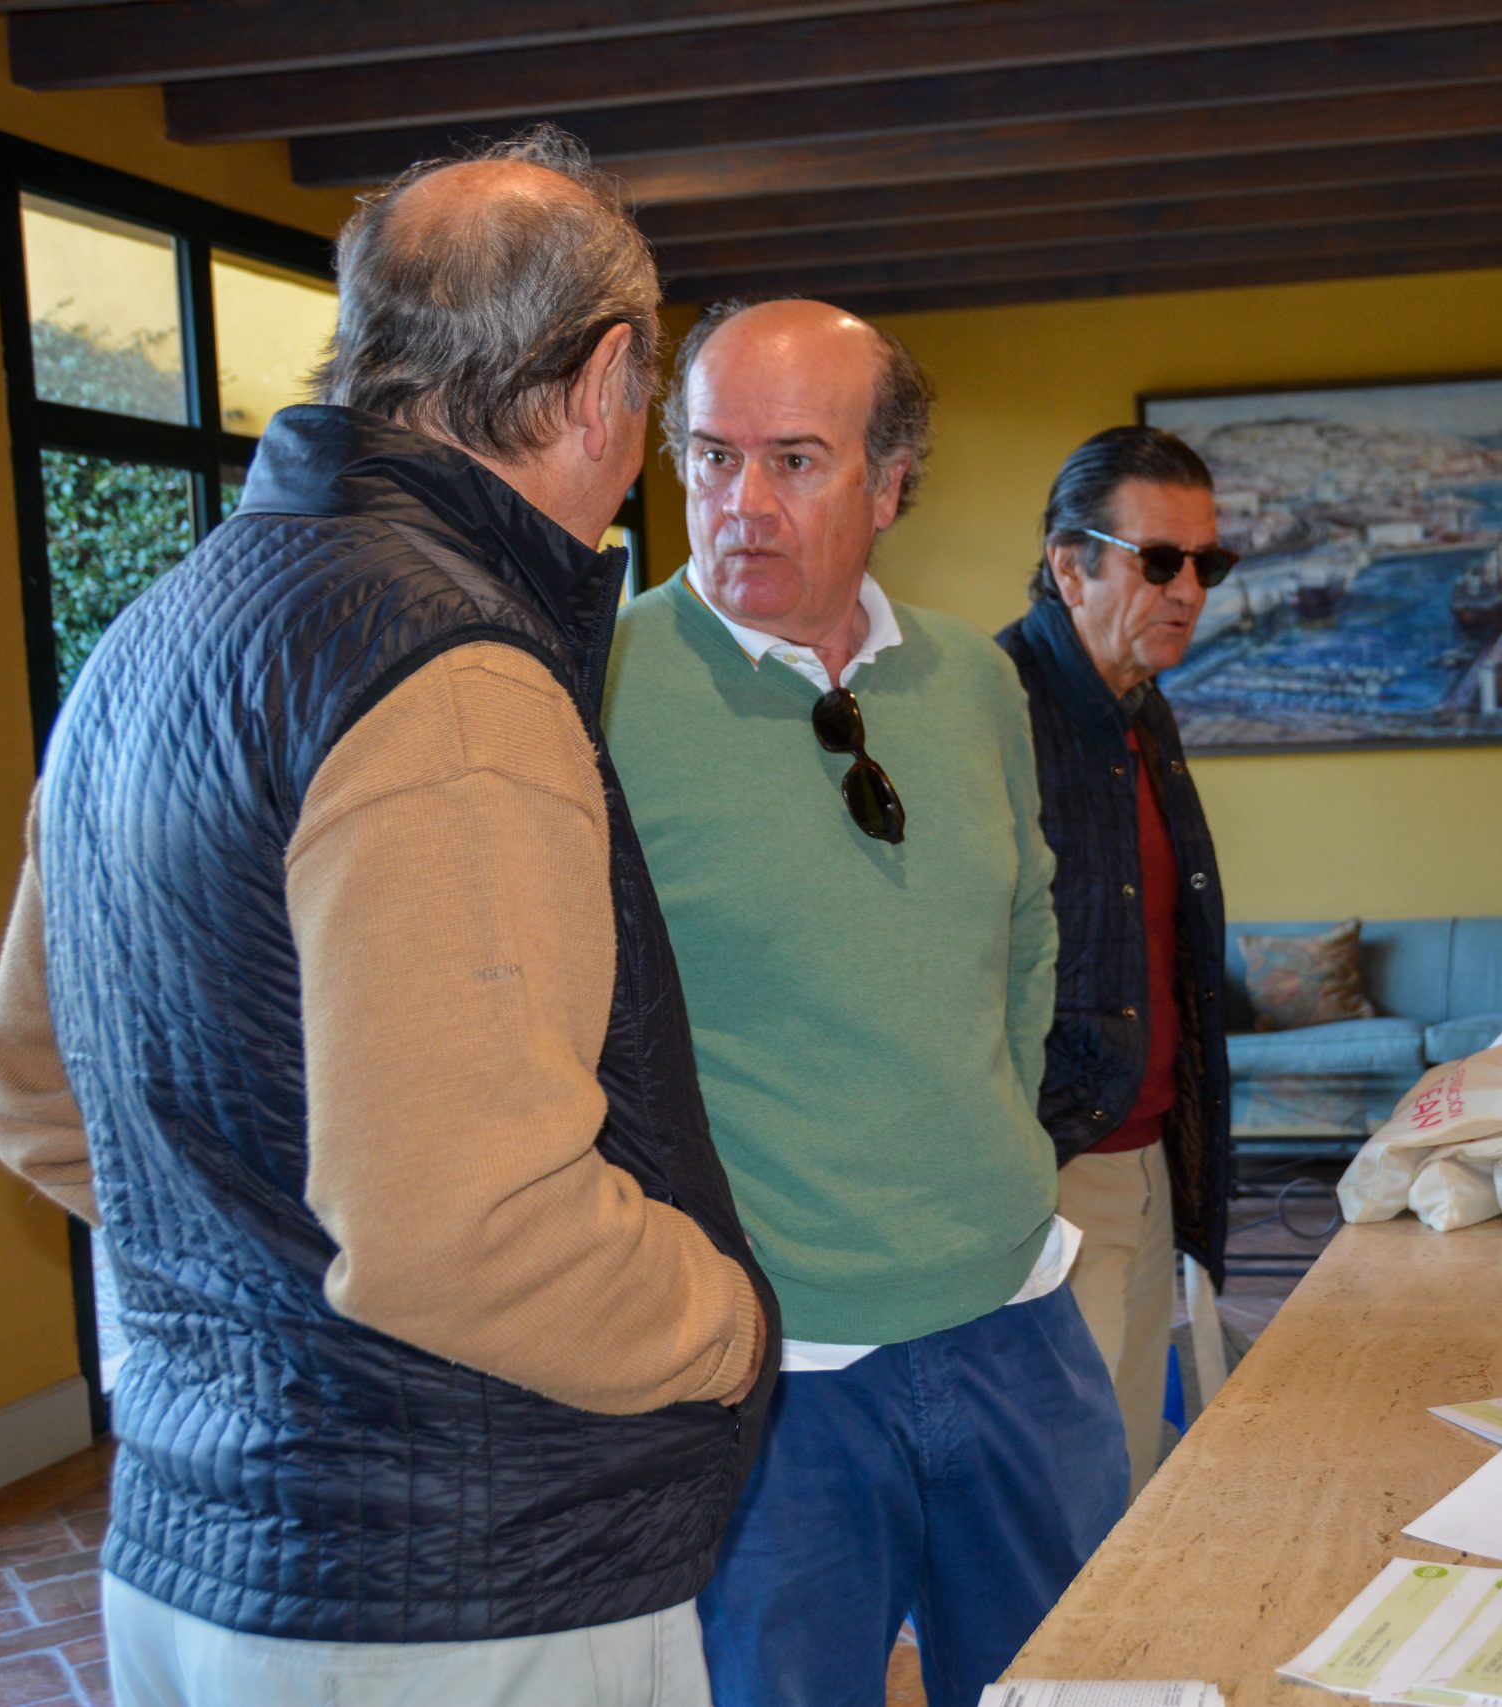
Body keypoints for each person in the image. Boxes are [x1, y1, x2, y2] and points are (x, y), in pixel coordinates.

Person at [0, 128, 776, 1707]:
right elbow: (465, 1232)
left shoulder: (149, 635)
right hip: (458, 1590)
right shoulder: (457, 672)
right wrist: (731, 1325)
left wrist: (281, 1280)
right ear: (605, 380)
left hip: (193, 1556)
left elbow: (35, 1096)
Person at [602, 299, 1123, 1707]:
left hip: (1017, 1317)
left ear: (890, 484)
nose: (742, 503)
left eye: (794, 460)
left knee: (1078, 1685)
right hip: (771, 1367)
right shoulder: (597, 688)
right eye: (712, 457)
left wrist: (994, 1149)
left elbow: (1026, 936)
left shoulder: (975, 681)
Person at [998, 426, 1235, 1506]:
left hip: (1146, 1152)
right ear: (1069, 565)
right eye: (1160, 560)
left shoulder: (1144, 710)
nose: (1189, 590)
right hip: (1058, 1164)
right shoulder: (998, 706)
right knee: (1061, 1492)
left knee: (1130, 1467)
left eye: (1206, 563)